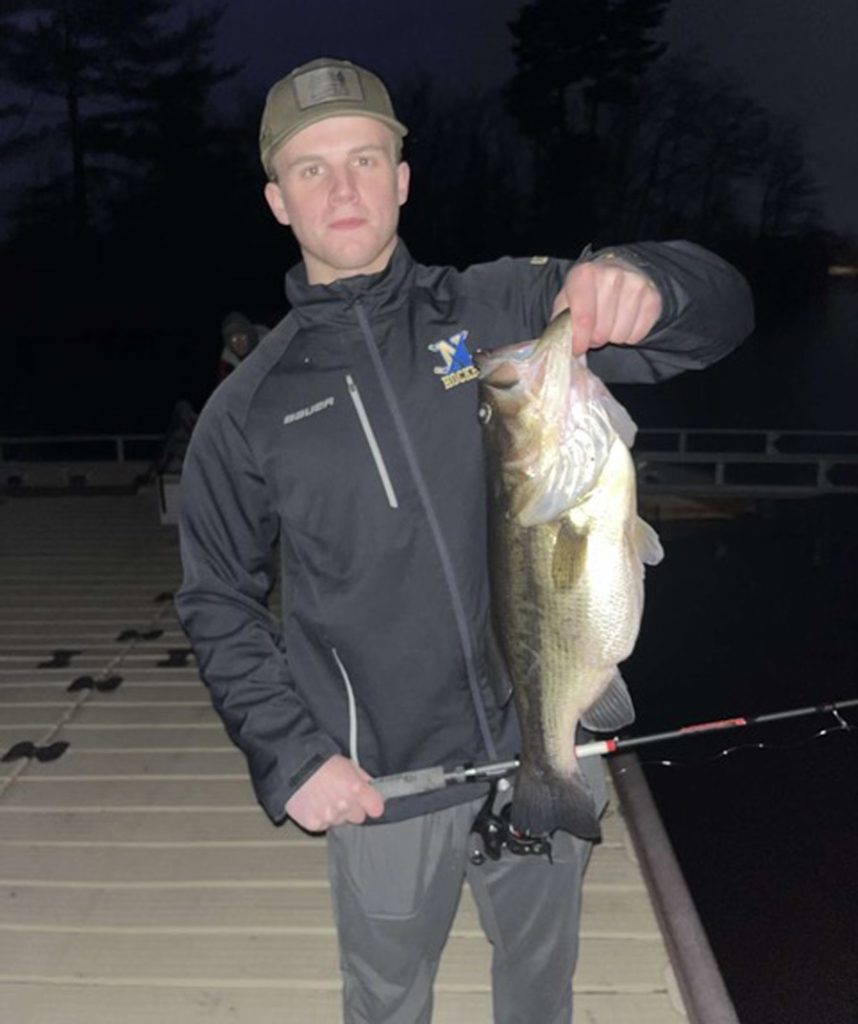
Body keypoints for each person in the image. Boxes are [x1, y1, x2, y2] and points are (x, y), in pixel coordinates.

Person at [176, 57, 754, 1024]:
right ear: (277, 200)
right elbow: (216, 600)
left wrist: (651, 281)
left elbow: (719, 316)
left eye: (366, 157)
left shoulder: (501, 313)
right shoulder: (245, 410)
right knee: (388, 999)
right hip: (383, 780)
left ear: (404, 178)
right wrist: (290, 756)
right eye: (312, 169)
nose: (344, 186)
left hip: (551, 734)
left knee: (539, 992)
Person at [216, 310, 268, 382]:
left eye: (242, 338)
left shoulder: (268, 345)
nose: (239, 343)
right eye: (234, 340)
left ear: (249, 337)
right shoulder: (227, 367)